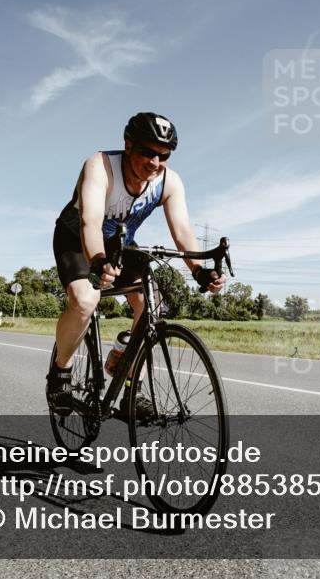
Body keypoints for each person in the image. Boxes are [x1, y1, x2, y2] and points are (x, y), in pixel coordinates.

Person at [48, 112, 224, 416]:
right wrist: (98, 261)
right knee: (85, 300)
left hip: (120, 243)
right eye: (148, 152)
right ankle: (60, 373)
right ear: (128, 145)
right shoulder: (100, 166)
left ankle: (132, 388)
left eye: (163, 155)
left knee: (151, 306)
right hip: (76, 238)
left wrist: (199, 269)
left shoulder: (169, 182)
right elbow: (90, 222)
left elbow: (182, 230)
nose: (155, 162)